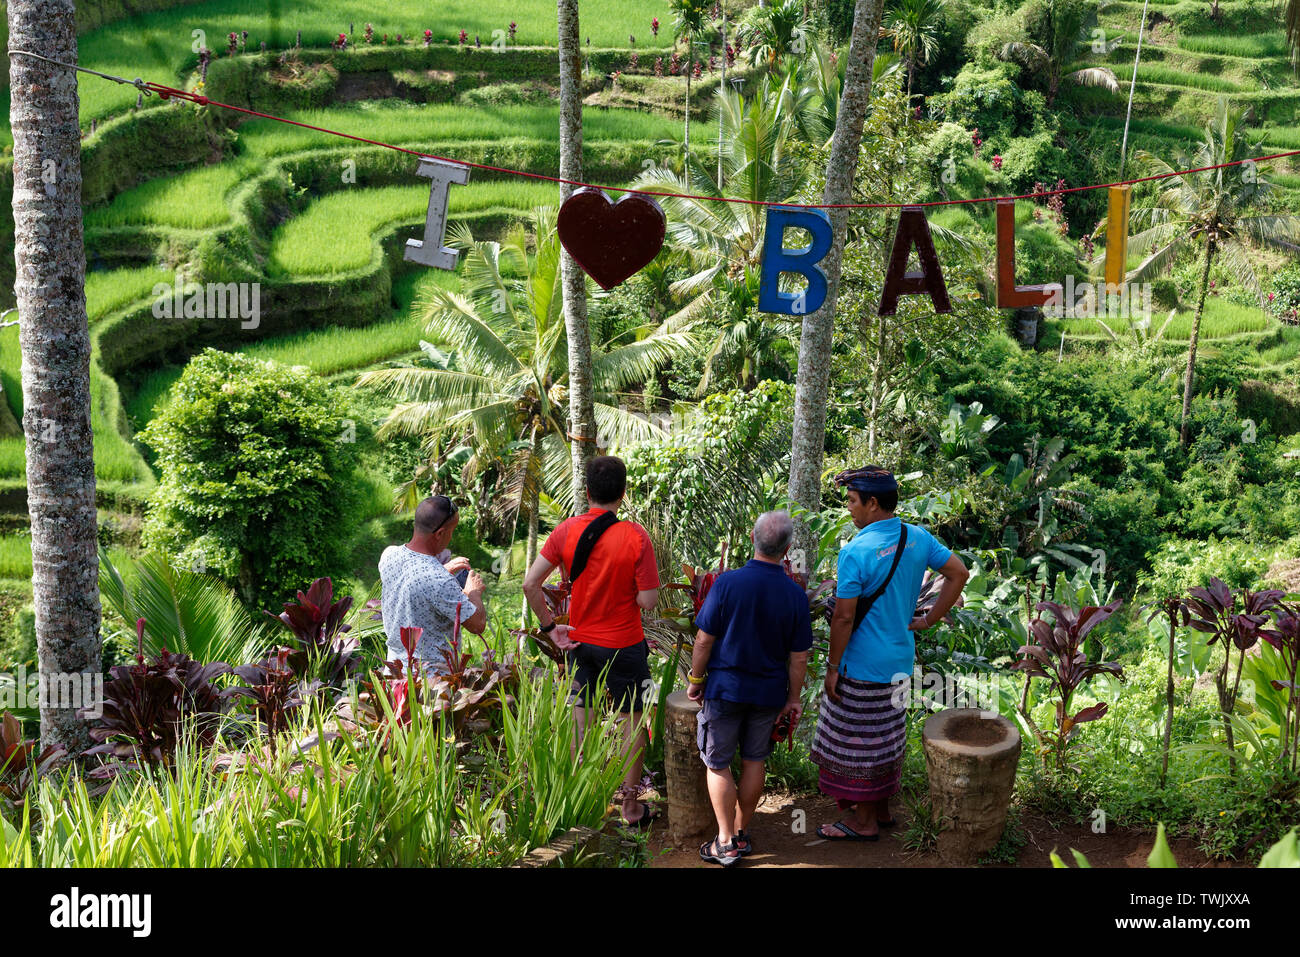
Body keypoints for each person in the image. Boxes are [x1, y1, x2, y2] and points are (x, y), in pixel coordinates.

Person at [811, 467, 969, 842]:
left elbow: (845, 616)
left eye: (852, 501)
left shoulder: (855, 550)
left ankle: (862, 822)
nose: (849, 509)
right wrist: (929, 619)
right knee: (885, 738)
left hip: (861, 667)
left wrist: (832, 667)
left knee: (857, 741)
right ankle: (878, 810)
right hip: (899, 661)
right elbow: (958, 573)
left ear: (873, 503)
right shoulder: (917, 537)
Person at [522, 455, 660, 828]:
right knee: (635, 722)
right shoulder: (635, 536)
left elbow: (530, 584)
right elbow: (648, 602)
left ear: (587, 492)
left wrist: (551, 628)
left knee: (581, 720)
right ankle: (631, 808)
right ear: (623, 493)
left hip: (581, 646)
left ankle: (583, 806)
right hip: (627, 646)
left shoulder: (565, 531)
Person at [687, 511, 811, 867]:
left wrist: (696, 681)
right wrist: (793, 699)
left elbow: (703, 641)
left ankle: (724, 843)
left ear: (752, 539)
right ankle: (740, 833)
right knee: (755, 759)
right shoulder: (795, 595)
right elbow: (799, 658)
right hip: (769, 694)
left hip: (725, 690)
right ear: (787, 549)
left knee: (718, 762)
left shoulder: (727, 584)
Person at [379, 494, 487, 674]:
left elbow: (415, 581)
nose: (451, 537)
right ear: (440, 534)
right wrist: (473, 592)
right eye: (452, 531)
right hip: (430, 686)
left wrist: (443, 570)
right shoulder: (439, 581)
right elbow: (477, 625)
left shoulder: (389, 555)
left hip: (395, 675)